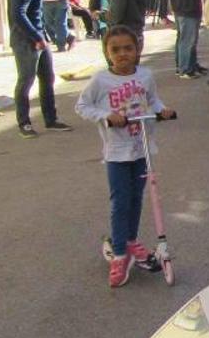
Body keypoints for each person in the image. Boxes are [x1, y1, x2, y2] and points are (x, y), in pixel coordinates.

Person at [74, 25, 176, 287]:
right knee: (120, 202)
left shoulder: (145, 75)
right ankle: (120, 253)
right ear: (107, 52)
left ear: (138, 49)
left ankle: (130, 241)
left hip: (141, 147)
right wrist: (106, 116)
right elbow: (82, 105)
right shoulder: (101, 80)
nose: (122, 54)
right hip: (117, 151)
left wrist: (163, 110)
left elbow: (153, 100)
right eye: (115, 49)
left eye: (128, 48)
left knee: (136, 199)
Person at [8, 0, 71, 138]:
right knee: (26, 80)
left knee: (47, 78)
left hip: (40, 38)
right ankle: (24, 123)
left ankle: (51, 119)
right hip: (26, 41)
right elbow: (18, 15)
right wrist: (36, 37)